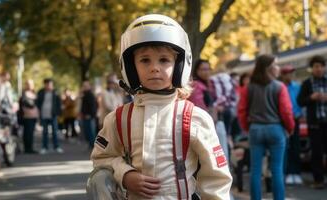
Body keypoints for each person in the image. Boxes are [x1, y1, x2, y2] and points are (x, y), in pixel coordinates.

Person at [91, 14, 232, 199]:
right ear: (131, 67)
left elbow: (216, 178)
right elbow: (101, 159)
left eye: (164, 60)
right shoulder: (118, 119)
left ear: (180, 65)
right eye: (145, 60)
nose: (154, 68)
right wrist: (124, 174)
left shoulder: (195, 118)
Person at [238, 54, 294, 200]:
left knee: (255, 170)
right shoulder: (279, 87)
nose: (278, 68)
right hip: (275, 129)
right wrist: (290, 127)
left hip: (256, 129)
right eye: (276, 65)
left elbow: (242, 110)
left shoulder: (248, 88)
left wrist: (247, 127)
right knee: (276, 169)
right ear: (268, 68)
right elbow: (286, 111)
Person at [297, 55, 327, 189]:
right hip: (315, 123)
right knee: (316, 152)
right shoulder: (307, 83)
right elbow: (300, 101)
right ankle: (318, 180)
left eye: (321, 66)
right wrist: (311, 97)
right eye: (316, 66)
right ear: (312, 68)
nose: (319, 69)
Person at [279, 65, 304, 185]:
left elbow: (299, 102)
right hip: (283, 121)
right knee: (285, 147)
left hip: (296, 119)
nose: (290, 76)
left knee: (295, 146)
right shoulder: (279, 87)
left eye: (291, 73)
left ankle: (296, 173)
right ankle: (288, 172)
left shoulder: (297, 87)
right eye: (287, 73)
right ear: (283, 75)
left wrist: (298, 114)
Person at [36, 78, 63, 154]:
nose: (49, 86)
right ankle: (44, 147)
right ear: (44, 85)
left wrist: (58, 114)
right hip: (44, 115)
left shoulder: (55, 92)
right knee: (45, 132)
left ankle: (56, 146)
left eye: (50, 84)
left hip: (53, 115)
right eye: (47, 84)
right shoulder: (41, 92)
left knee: (55, 131)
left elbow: (59, 104)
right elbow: (37, 103)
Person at [19, 79, 39, 154]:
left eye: (31, 84)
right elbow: (29, 104)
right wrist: (34, 102)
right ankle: (27, 148)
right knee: (27, 132)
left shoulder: (33, 93)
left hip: (34, 116)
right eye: (29, 84)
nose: (30, 86)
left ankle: (30, 147)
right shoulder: (25, 93)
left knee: (31, 133)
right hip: (27, 116)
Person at [80, 81, 98, 149]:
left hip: (89, 116)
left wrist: (90, 115)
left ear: (89, 86)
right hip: (86, 116)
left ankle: (93, 146)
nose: (84, 87)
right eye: (84, 86)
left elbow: (93, 106)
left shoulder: (90, 95)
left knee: (91, 132)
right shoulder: (85, 94)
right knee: (88, 131)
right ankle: (91, 145)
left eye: (86, 86)